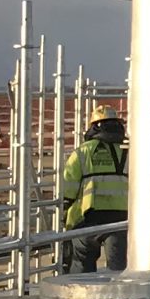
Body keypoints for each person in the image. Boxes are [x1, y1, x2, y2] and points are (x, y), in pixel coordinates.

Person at [60, 107, 129, 273]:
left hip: (87, 217)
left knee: (81, 266)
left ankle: (81, 297)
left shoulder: (83, 151)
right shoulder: (130, 151)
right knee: (118, 270)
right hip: (121, 218)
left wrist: (64, 209)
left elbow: (68, 186)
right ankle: (118, 298)